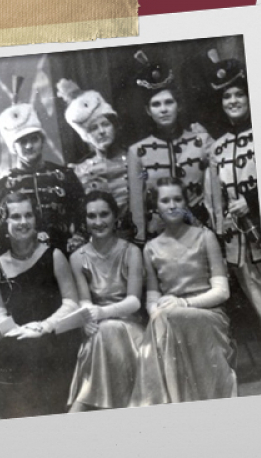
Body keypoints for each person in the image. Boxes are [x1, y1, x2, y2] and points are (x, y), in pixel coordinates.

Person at [129, 177, 236, 405]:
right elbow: (153, 297)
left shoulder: (205, 237)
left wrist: (184, 304)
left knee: (168, 318)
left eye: (177, 199)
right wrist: (156, 311)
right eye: (165, 200)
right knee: (162, 319)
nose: (172, 205)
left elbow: (222, 292)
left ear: (186, 203)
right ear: (155, 207)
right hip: (170, 316)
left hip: (208, 313)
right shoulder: (150, 248)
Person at [204, 53, 261, 334]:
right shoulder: (217, 148)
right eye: (226, 96)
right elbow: (213, 199)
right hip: (238, 245)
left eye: (238, 94)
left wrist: (253, 201)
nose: (232, 101)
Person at [0, 192, 82, 418]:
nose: (23, 222)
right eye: (16, 217)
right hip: (14, 342)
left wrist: (43, 326)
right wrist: (15, 330)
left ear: (36, 220)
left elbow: (71, 303)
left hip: (52, 342)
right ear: (5, 221)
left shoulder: (54, 256)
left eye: (29, 215)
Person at [68, 191, 144, 412]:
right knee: (101, 333)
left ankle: (81, 405)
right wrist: (86, 318)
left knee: (106, 330)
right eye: (92, 216)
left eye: (104, 214)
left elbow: (133, 302)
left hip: (130, 328)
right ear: (85, 221)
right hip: (98, 329)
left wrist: (101, 314)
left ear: (115, 217)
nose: (98, 222)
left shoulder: (131, 251)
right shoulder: (77, 258)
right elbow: (85, 301)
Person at [127, 51, 213, 245]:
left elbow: (216, 188)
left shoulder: (201, 141)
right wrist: (141, 238)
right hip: (160, 235)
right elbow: (136, 203)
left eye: (169, 102)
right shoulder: (137, 151)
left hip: (199, 230)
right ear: (148, 111)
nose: (163, 109)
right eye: (156, 105)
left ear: (178, 106)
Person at [0, 79, 85, 253]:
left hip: (64, 255)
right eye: (22, 142)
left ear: (42, 140)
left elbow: (82, 214)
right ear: (13, 147)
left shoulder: (65, 175)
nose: (29, 146)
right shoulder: (3, 185)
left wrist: (78, 237)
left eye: (34, 139)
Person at [57, 79, 133, 235]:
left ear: (115, 125)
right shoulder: (79, 171)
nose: (101, 132)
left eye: (105, 124)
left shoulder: (136, 159)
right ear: (85, 136)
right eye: (93, 128)